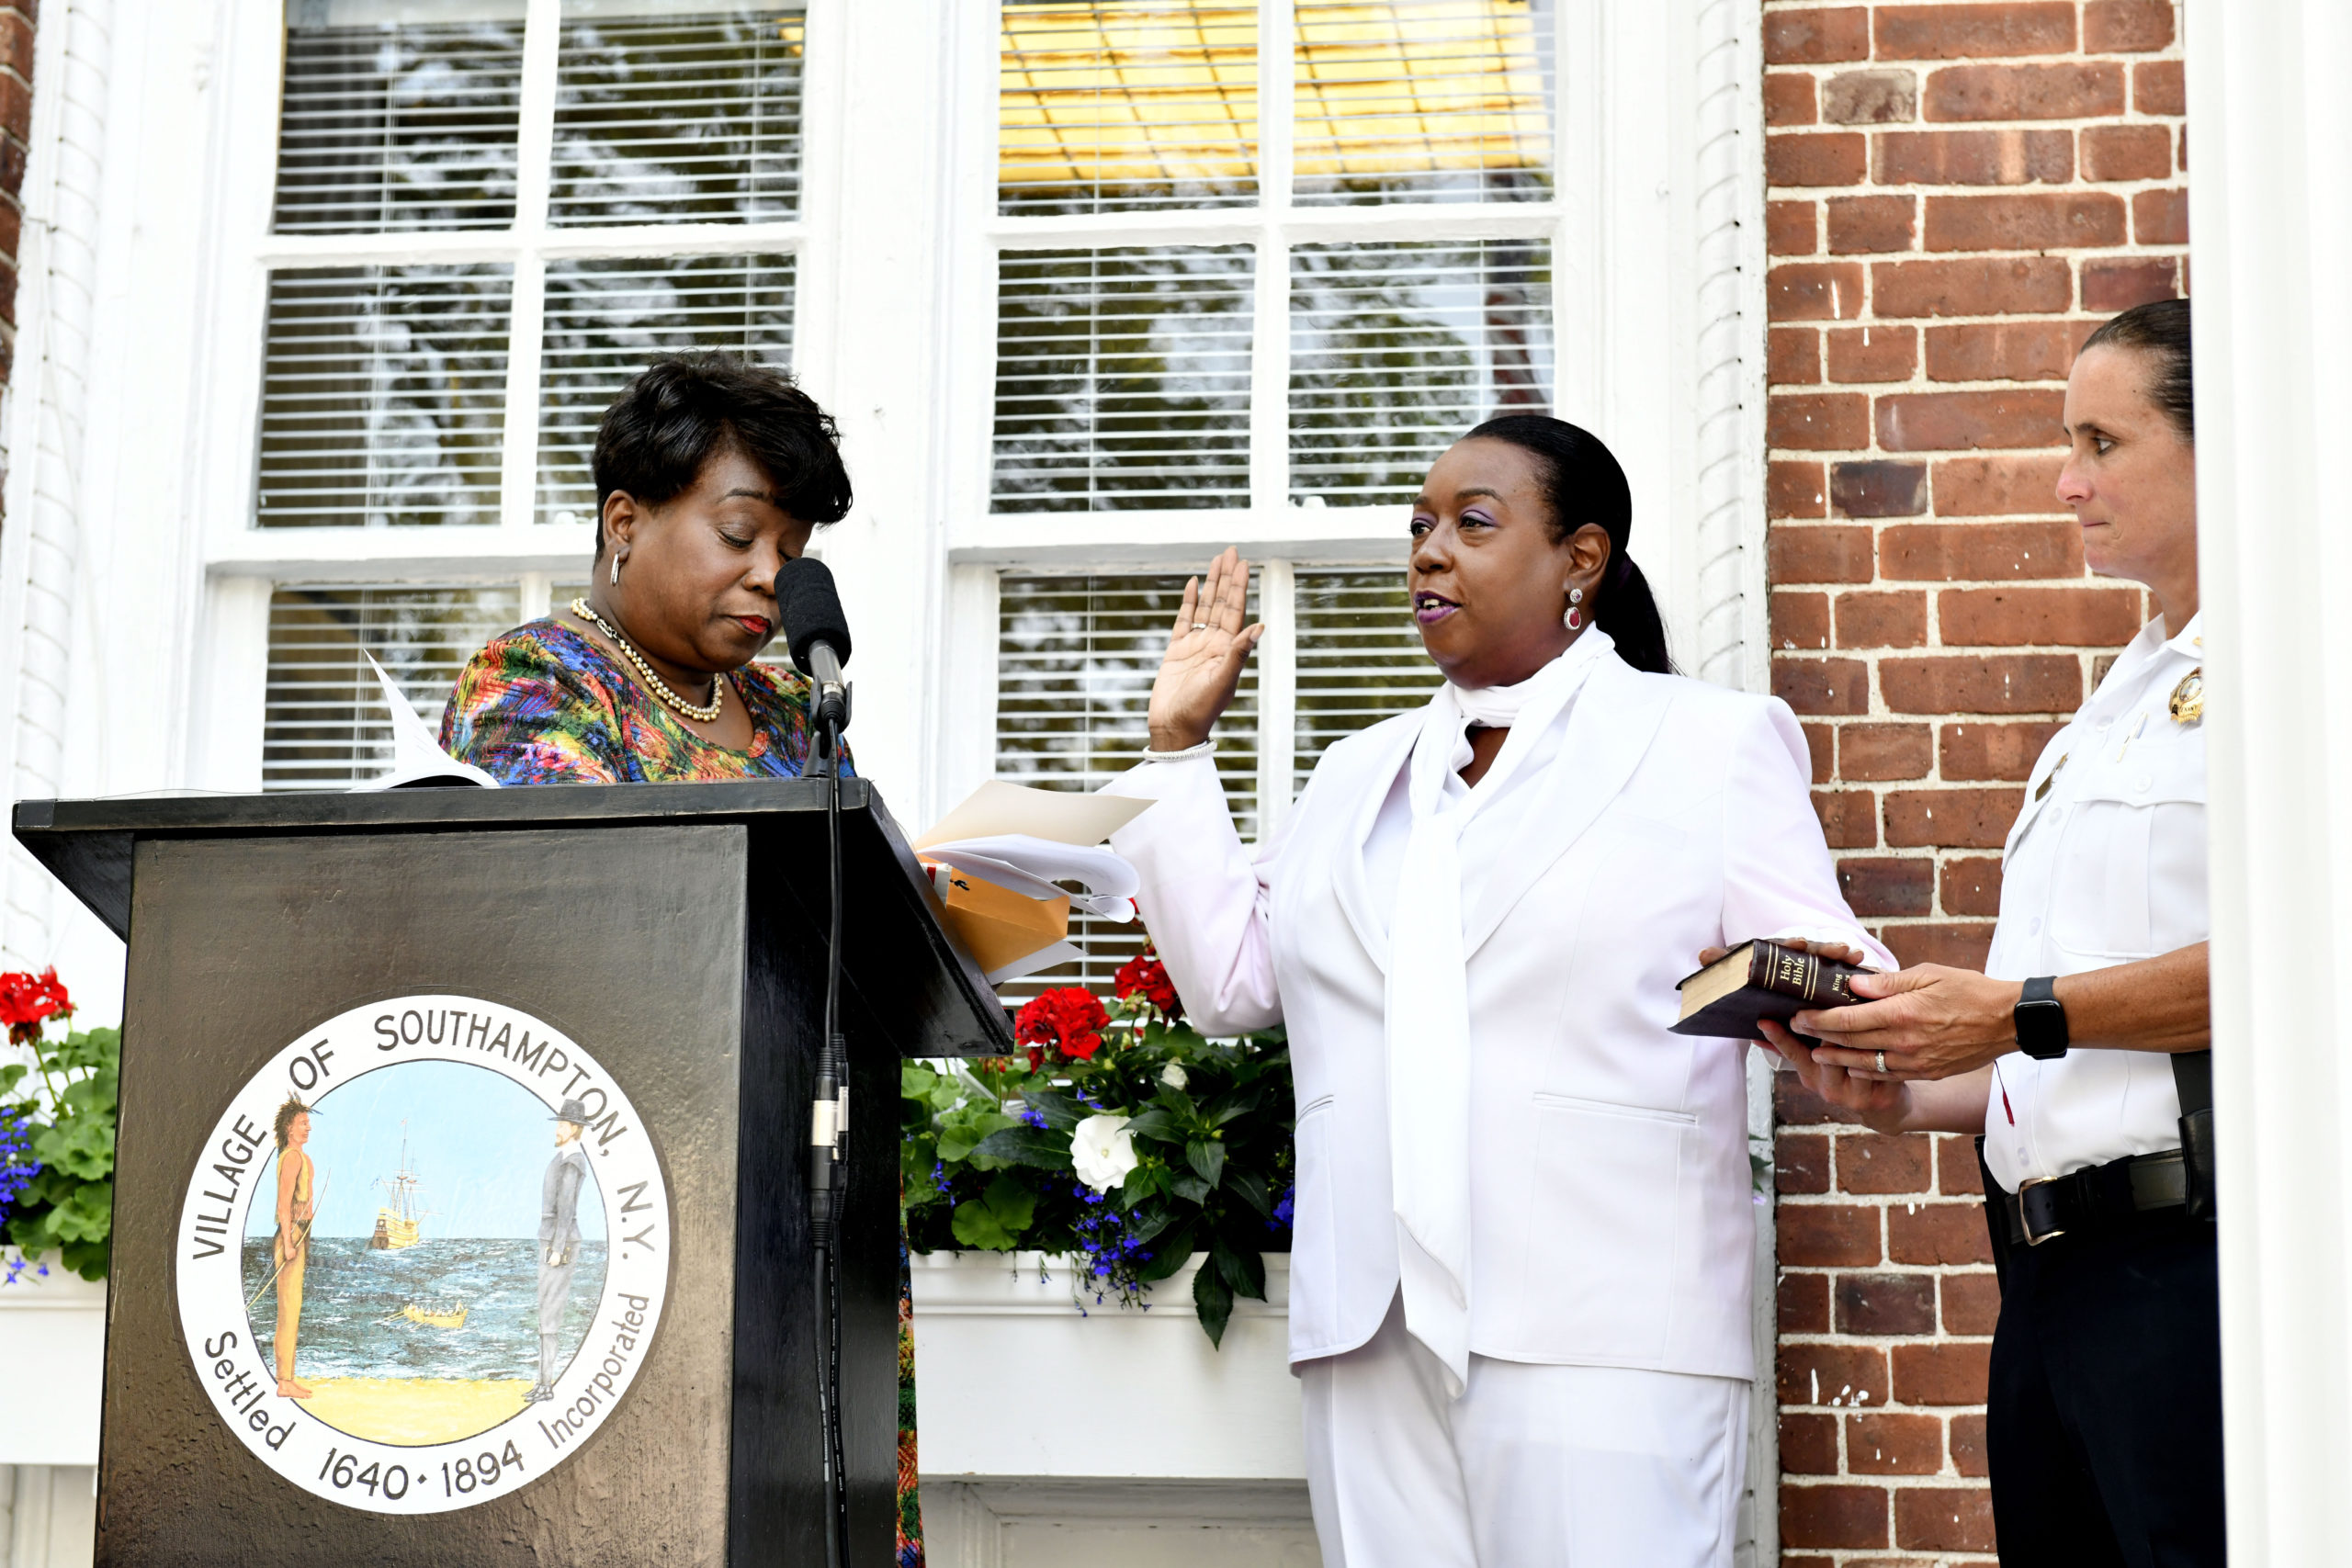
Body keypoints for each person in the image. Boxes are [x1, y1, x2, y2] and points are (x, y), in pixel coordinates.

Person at [1104, 415, 1891, 1567]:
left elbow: (1829, 975)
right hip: (1369, 1328)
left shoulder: (1707, 745)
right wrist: (1178, 745)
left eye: (1471, 524)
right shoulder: (1355, 772)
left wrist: (1822, 1006)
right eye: (1419, 526)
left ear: (1581, 559)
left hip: (1605, 1316)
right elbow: (1229, 982)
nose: (1428, 550)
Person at [439, 352, 928, 1566]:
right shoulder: (542, 679)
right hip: (632, 1206)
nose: (772, 575)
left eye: (793, 547)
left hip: (799, 1215)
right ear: (626, 520)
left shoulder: (791, 722)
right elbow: (573, 906)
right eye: (741, 531)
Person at [1770, 299, 2219, 1567]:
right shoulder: (2115, 703)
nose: (2065, 478)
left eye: (2102, 440)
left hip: (2195, 1273)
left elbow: (2297, 960)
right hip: (2045, 1284)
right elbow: (2053, 1042)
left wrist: (2011, 1007)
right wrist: (1903, 1078)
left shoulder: (2292, 666)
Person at [527, 1099, 592, 1404]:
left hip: (558, 1242)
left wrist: (557, 1248)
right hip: (553, 1238)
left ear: (575, 1129)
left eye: (563, 1125)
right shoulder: (565, 1157)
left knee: (550, 1318)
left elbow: (566, 1208)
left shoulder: (572, 1161)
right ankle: (543, 1383)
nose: (558, 1129)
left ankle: (546, 1385)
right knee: (545, 1316)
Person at [269, 1096, 317, 1399]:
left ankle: (288, 1377)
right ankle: (284, 1382)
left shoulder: (301, 1157)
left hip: (302, 1234)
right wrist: (288, 1243)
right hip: (292, 1236)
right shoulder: (291, 1158)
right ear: (289, 1128)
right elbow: (284, 1205)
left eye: (308, 1123)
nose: (308, 1127)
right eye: (303, 1123)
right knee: (288, 1310)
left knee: (294, 1308)